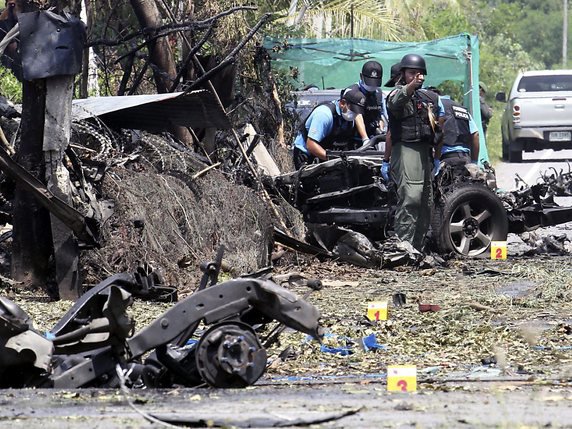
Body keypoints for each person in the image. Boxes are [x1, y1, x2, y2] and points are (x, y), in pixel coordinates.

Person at [384, 53, 445, 251]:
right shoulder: (395, 94)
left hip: (424, 152)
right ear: (403, 74)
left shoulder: (428, 98)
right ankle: (404, 247)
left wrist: (436, 157)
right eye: (411, 73)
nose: (416, 77)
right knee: (410, 197)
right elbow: (396, 102)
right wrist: (410, 86)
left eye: (419, 74)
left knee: (426, 201)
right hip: (406, 150)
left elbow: (439, 127)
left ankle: (417, 248)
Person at [292, 87, 366, 169]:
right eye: (353, 110)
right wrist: (333, 160)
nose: (354, 114)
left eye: (357, 112)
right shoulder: (324, 115)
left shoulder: (349, 119)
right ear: (342, 103)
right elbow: (311, 145)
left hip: (326, 152)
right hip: (307, 154)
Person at [345, 61, 387, 146]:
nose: (372, 86)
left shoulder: (378, 93)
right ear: (361, 76)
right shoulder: (352, 92)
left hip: (373, 138)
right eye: (370, 82)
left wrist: (380, 132)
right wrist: (365, 139)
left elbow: (380, 115)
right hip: (354, 140)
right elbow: (357, 115)